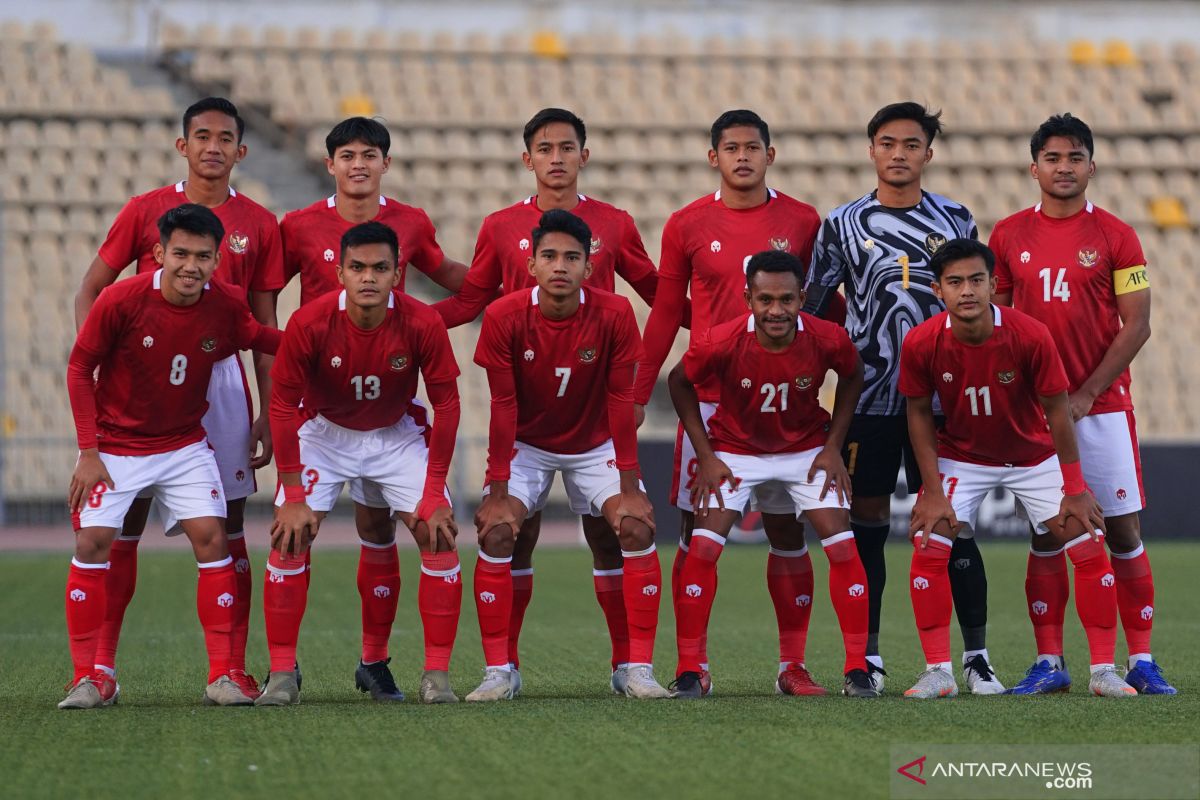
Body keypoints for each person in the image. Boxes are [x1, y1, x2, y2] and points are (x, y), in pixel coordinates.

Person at [433, 108, 668, 689]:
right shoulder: (498, 227)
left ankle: (630, 668)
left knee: (612, 533)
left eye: (567, 147)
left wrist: (716, 317)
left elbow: (661, 296)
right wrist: (400, 322)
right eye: (545, 148)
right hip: (528, 411)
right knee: (514, 534)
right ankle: (501, 669)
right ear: (528, 159)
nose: (556, 157)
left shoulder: (614, 223)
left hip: (596, 406)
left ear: (584, 156)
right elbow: (472, 301)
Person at [71, 97, 283, 699]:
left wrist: (268, 408)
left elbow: (264, 328)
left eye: (225, 138)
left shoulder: (260, 224)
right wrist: (110, 355)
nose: (213, 147)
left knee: (227, 524)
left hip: (219, 377)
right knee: (124, 521)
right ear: (182, 146)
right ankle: (99, 668)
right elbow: (91, 289)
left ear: (241, 151)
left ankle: (231, 667)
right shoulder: (145, 210)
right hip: (143, 370)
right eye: (201, 136)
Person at [802, 102, 1000, 694]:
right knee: (864, 525)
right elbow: (812, 308)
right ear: (871, 150)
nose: (898, 154)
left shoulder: (957, 218)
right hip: (866, 400)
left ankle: (975, 658)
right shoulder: (842, 223)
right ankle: (868, 656)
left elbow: (978, 307)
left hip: (942, 403)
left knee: (951, 525)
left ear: (927, 154)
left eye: (911, 144)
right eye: (887, 143)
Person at [634, 109, 830, 694]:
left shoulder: (802, 220)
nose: (742, 156)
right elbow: (668, 312)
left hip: (783, 400)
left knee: (787, 531)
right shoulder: (686, 224)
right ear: (712, 156)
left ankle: (791, 666)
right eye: (731, 147)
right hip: (715, 401)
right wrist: (640, 391)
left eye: (753, 147)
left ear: (771, 154)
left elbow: (817, 306)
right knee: (698, 532)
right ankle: (692, 665)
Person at [989, 114, 1174, 694]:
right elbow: (997, 323)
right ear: (1033, 167)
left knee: (1122, 531)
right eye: (1052, 158)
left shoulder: (1118, 236)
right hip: (1035, 414)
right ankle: (1050, 664)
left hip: (1104, 407)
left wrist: (1087, 393)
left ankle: (1141, 661)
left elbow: (1137, 325)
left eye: (1074, 158)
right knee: (1049, 534)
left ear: (1091, 166)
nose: (1063, 168)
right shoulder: (1007, 235)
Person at [898, 238, 1131, 698]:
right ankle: (938, 671)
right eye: (955, 282)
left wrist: (1074, 486)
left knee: (1087, 543)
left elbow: (1058, 412)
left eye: (977, 280)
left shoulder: (1029, 334)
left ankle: (1104, 670)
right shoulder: (922, 341)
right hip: (964, 456)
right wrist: (932, 491)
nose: (968, 291)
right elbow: (919, 414)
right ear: (937, 289)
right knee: (930, 540)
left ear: (993, 284)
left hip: (1034, 457)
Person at [279, 116, 467, 646]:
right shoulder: (296, 226)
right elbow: (262, 302)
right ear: (330, 164)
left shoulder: (410, 222)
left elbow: (456, 281)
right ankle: (283, 668)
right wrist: (280, 360)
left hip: (388, 400)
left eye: (369, 155)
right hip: (322, 407)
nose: (358, 164)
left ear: (386, 163)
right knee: (316, 533)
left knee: (380, 529)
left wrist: (427, 326)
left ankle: (377, 661)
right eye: (347, 155)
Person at [467, 209, 668, 701]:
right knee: (497, 533)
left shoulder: (616, 313)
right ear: (531, 264)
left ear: (589, 267)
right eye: (550, 256)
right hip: (527, 446)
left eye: (572, 257)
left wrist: (629, 482)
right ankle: (500, 670)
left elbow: (622, 401)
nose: (560, 266)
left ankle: (634, 667)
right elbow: (502, 405)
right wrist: (496, 490)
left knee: (635, 528)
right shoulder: (503, 315)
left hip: (594, 442)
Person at [262, 221, 463, 706]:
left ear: (398, 274)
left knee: (438, 535)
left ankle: (433, 676)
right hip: (325, 434)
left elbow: (449, 405)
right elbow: (283, 406)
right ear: (339, 272)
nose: (368, 277)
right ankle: (282, 674)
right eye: (357, 267)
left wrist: (435, 491)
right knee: (290, 536)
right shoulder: (309, 323)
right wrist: (291, 495)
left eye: (380, 268)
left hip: (395, 434)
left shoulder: (422, 322)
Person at [666, 250, 876, 699]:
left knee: (840, 544)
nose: (775, 310)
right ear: (748, 298)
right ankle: (691, 669)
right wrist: (706, 455)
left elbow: (854, 374)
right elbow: (679, 382)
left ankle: (843, 669)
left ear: (802, 297)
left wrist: (834, 446)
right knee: (703, 547)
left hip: (805, 450)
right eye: (764, 300)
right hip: (735, 451)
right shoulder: (720, 341)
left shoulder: (827, 338)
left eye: (785, 299)